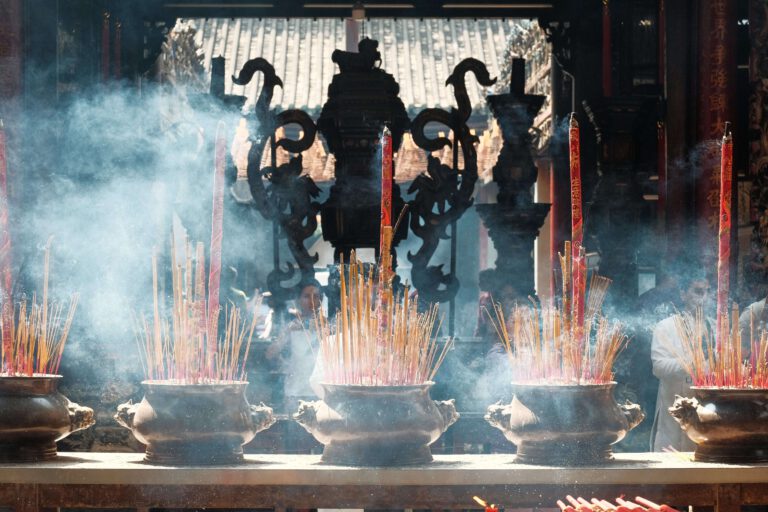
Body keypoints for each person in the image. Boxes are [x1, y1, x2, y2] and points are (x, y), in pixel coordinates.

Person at [650, 270, 711, 452]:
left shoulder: (714, 326)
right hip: (673, 414)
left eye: (707, 291)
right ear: (683, 294)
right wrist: (691, 363)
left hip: (707, 415)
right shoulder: (666, 326)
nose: (704, 297)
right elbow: (658, 367)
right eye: (698, 291)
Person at [265, 279, 324, 413]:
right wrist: (286, 332)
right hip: (295, 392)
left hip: (320, 392)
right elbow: (270, 353)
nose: (311, 301)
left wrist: (327, 331)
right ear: (299, 300)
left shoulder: (329, 326)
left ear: (321, 300)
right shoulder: (291, 327)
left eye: (316, 296)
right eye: (306, 296)